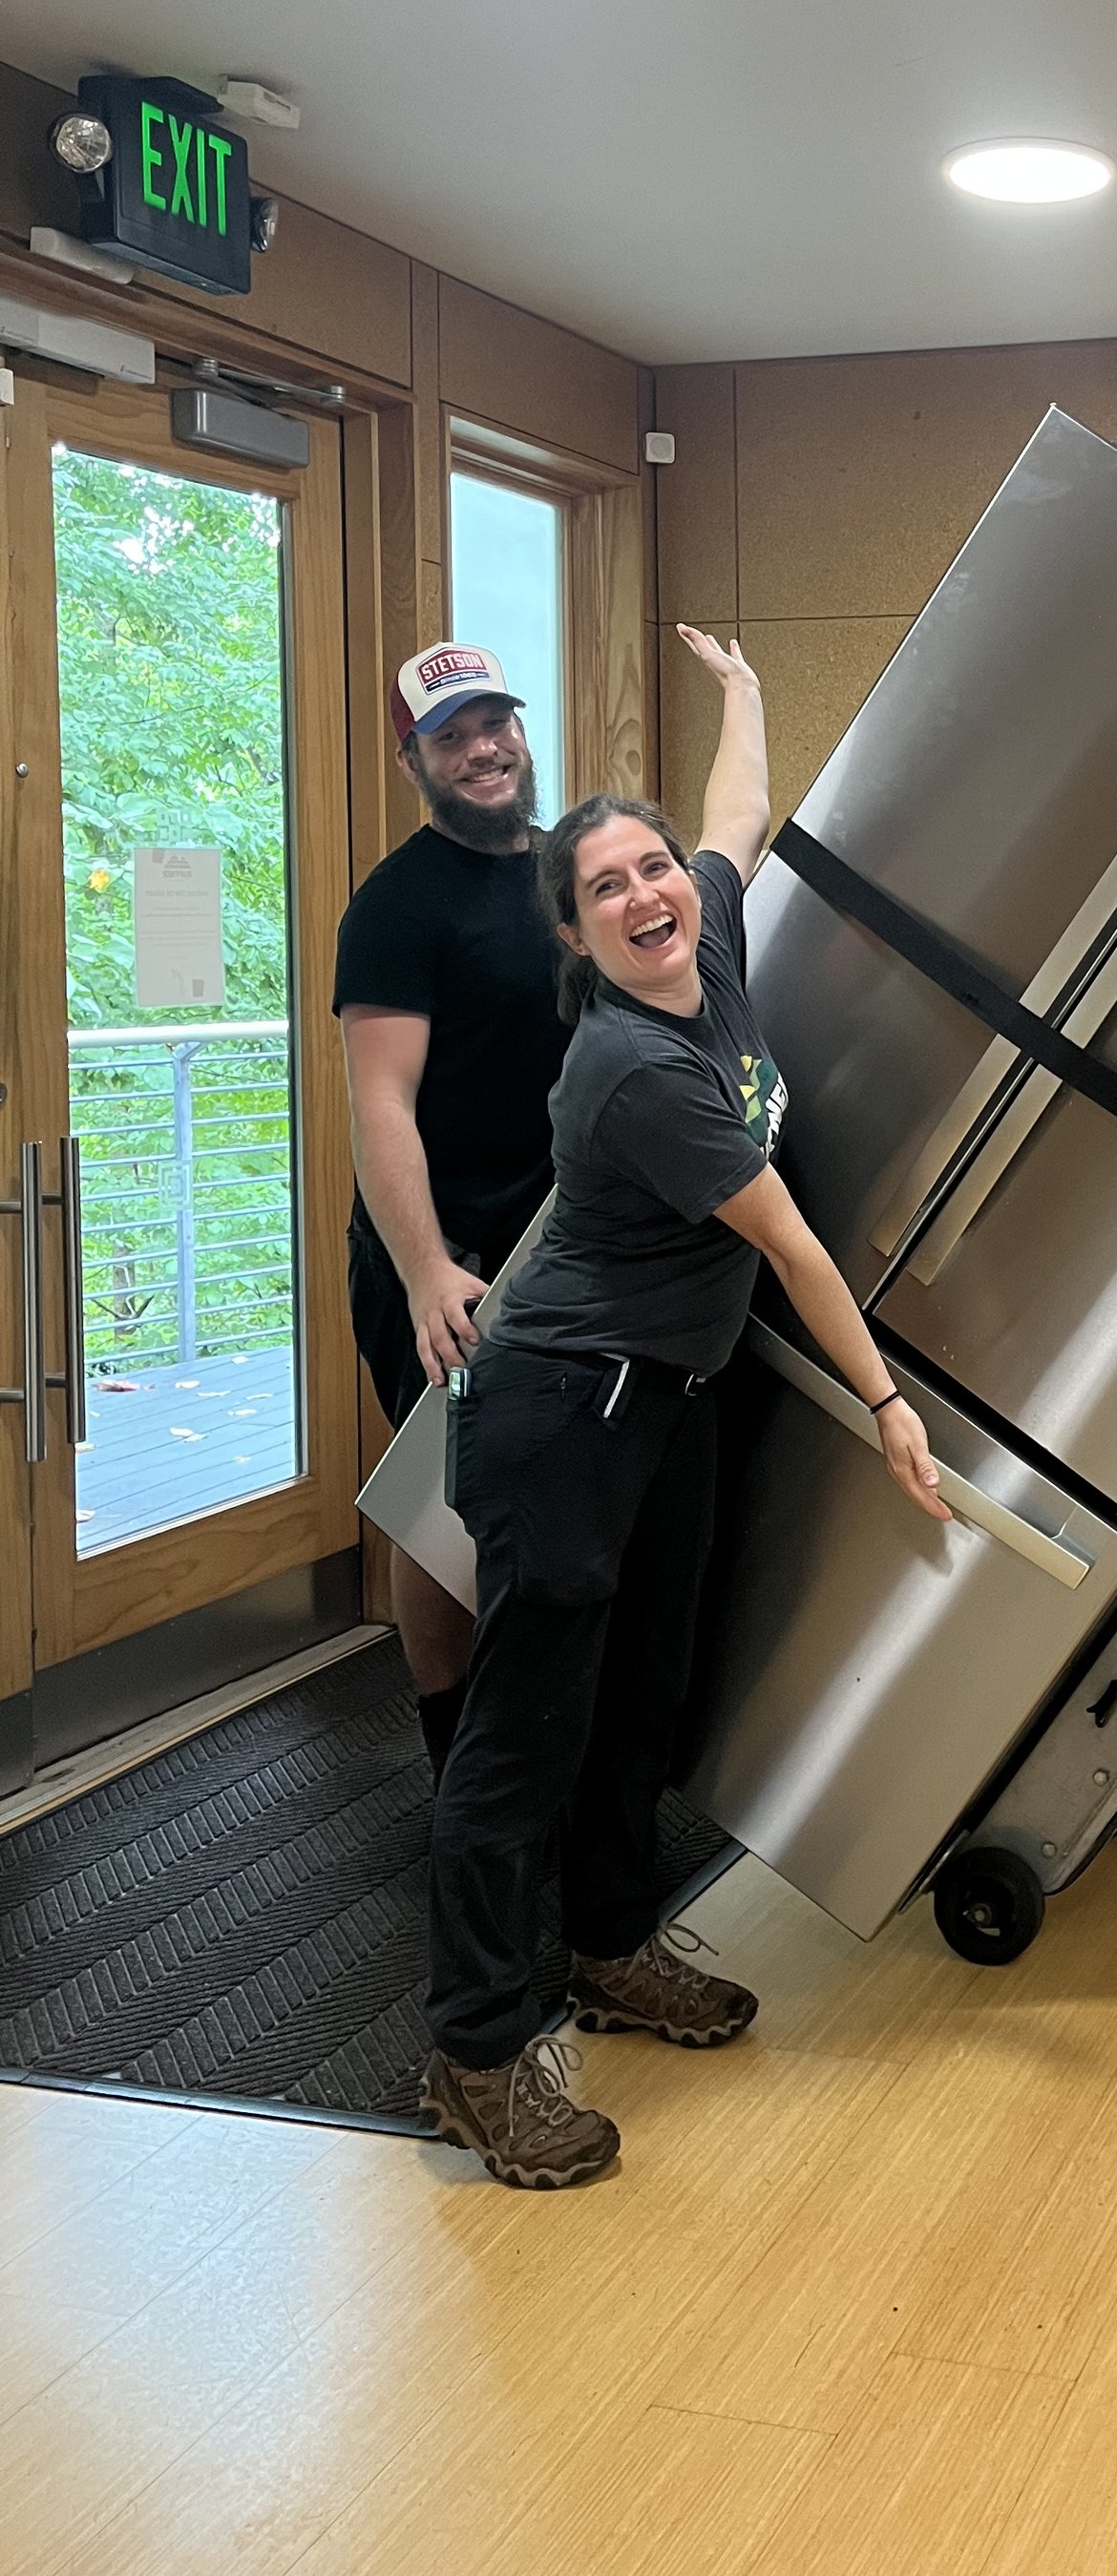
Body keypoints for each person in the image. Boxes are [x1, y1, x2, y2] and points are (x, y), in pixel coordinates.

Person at [420, 626, 945, 2189]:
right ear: (578, 938)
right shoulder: (633, 1066)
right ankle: (475, 2050)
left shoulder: (704, 931)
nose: (652, 894)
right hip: (561, 1409)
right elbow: (788, 1241)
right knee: (524, 1734)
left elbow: (739, 822)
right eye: (611, 890)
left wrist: (747, 697)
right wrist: (891, 1404)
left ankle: (605, 1943)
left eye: (652, 868)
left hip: (672, 1395)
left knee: (645, 1693)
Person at [335, 645, 571, 1779]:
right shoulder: (396, 905)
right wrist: (428, 1269)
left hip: (555, 1248)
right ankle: (454, 1762)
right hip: (445, 1257)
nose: (483, 748)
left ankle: (536, 1747)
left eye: (496, 723)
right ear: (414, 760)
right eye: (451, 734)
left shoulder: (570, 871)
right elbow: (380, 1105)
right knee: (442, 1509)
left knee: (532, 1505)